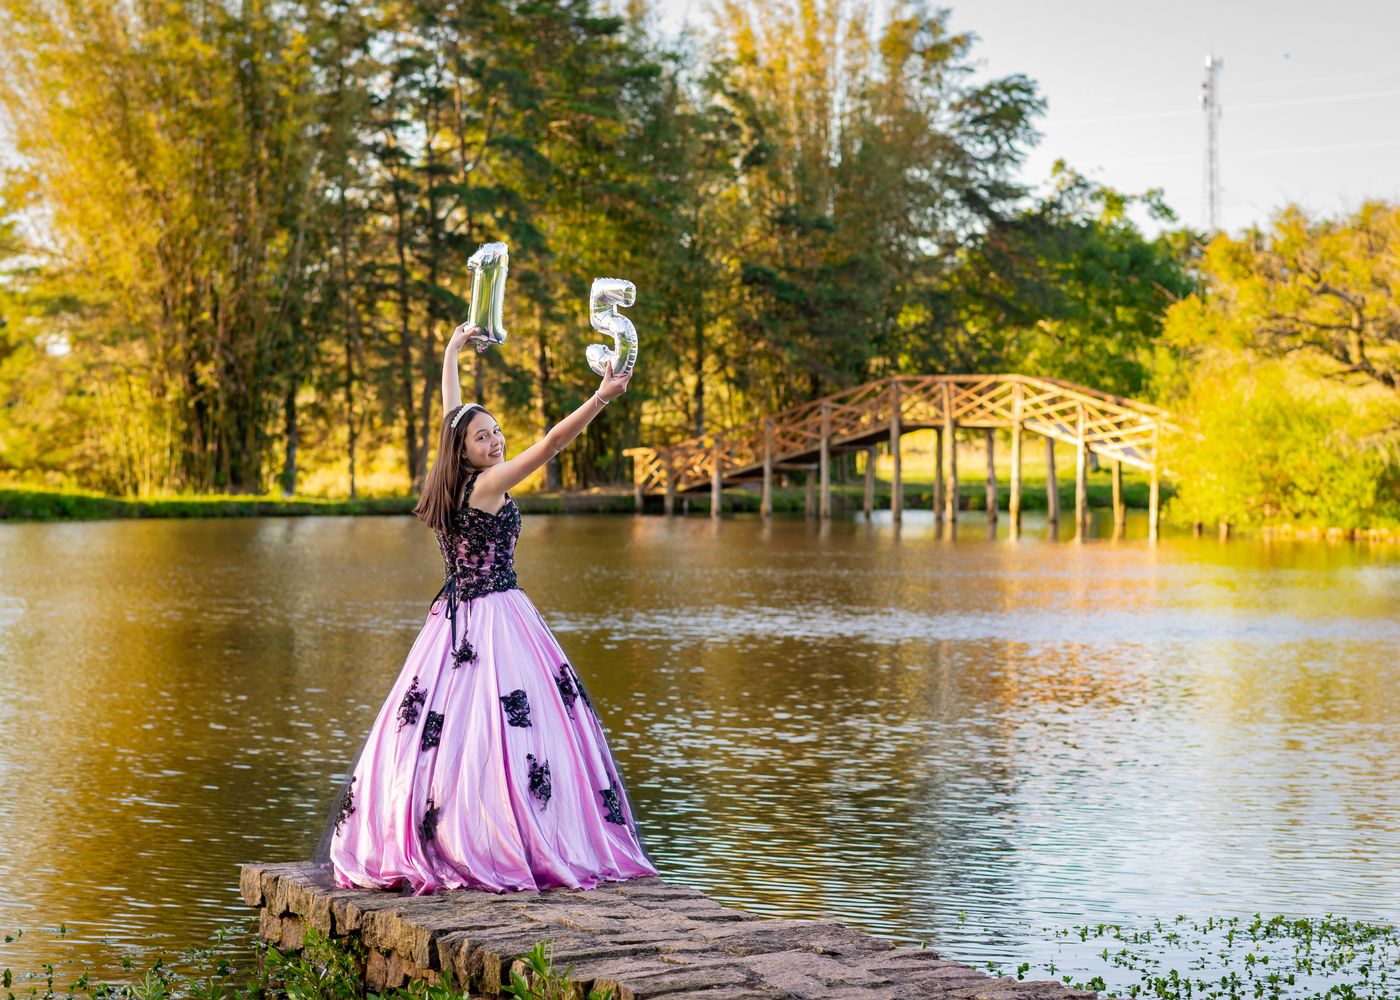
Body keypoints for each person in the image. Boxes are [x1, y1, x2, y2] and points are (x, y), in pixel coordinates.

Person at [311, 321, 656, 894]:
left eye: (496, 432)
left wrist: (451, 352)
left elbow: (451, 415)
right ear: (464, 450)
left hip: (452, 622)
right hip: (495, 616)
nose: (495, 442)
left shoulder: (450, 483)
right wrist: (600, 397)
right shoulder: (487, 485)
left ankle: (459, 828)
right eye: (483, 438)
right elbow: (551, 443)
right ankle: (496, 838)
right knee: (499, 730)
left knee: (452, 731)